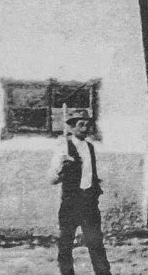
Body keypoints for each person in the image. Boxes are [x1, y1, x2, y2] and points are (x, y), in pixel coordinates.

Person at [48, 110, 112, 275]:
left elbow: (90, 174)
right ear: (71, 127)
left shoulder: (89, 147)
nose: (85, 129)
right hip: (71, 202)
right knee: (66, 242)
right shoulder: (63, 148)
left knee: (95, 242)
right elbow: (52, 179)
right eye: (80, 125)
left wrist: (95, 188)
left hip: (89, 202)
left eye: (87, 125)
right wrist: (63, 168)